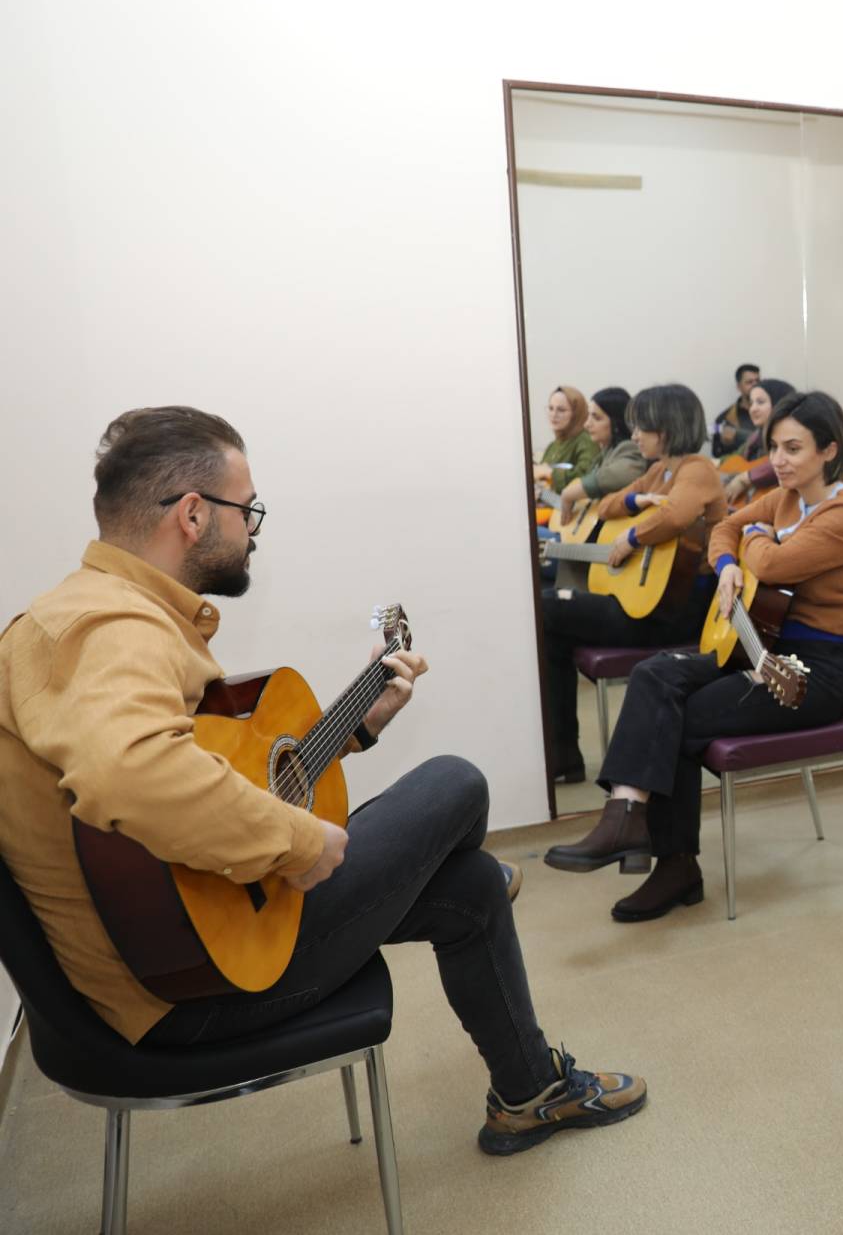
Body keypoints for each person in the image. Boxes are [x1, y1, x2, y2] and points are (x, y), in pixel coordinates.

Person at [0, 406, 644, 1156]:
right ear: (193, 514)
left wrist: (355, 729)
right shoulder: (107, 629)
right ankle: (474, 897)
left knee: (468, 884)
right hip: (186, 987)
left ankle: (529, 1094)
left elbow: (196, 776)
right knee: (455, 783)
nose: (254, 530)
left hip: (183, 935)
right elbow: (133, 772)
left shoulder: (97, 611)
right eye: (248, 510)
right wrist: (300, 844)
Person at [545, 391, 843, 922]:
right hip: (761, 646)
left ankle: (671, 863)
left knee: (675, 716)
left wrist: (752, 542)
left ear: (829, 450)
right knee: (654, 673)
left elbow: (772, 565)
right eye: (774, 447)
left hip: (812, 674)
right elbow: (725, 529)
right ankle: (626, 815)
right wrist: (728, 563)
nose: (778, 459)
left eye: (793, 448)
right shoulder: (786, 498)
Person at [539, 384, 726, 784]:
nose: (635, 435)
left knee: (548, 609)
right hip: (646, 602)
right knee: (549, 622)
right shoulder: (659, 471)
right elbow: (607, 506)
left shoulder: (697, 469)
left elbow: (676, 516)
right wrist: (634, 503)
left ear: (668, 428)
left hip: (674, 611)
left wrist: (633, 538)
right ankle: (562, 753)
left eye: (643, 427)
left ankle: (562, 755)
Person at [550, 386, 643, 529]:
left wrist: (568, 494)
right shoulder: (607, 450)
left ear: (616, 422)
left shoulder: (629, 448)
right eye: (588, 416)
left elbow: (613, 476)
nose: (587, 424)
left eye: (596, 418)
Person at [722, 376, 796, 505]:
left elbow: (788, 461)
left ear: (779, 404)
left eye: (760, 402)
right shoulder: (756, 436)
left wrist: (745, 478)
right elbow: (735, 459)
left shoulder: (795, 436)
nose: (753, 409)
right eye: (751, 403)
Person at [533, 386, 601, 495]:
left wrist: (549, 473)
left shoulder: (586, 440)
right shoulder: (553, 445)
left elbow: (587, 476)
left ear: (576, 413)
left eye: (561, 410)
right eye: (551, 408)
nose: (554, 415)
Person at [711, 363, 761, 458]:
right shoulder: (724, 418)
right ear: (738, 387)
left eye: (757, 381)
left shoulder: (771, 413)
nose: (755, 385)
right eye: (749, 382)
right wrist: (726, 445)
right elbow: (716, 454)